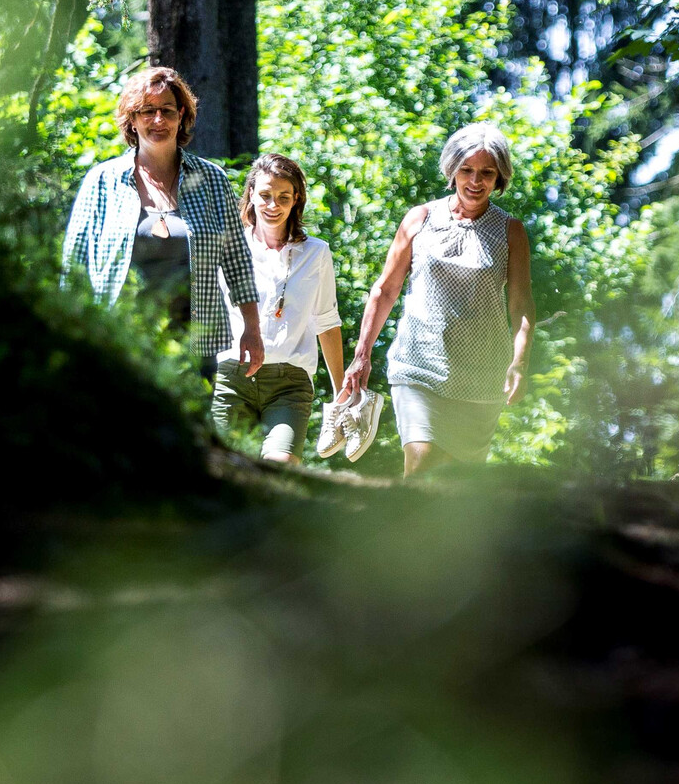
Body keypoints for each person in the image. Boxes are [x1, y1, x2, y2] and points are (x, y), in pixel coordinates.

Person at [338, 123, 535, 476]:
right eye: (467, 170)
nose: (476, 181)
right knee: (422, 464)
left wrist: (519, 362)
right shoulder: (421, 218)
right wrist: (361, 356)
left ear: (499, 177)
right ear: (452, 170)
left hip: (482, 379)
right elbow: (385, 290)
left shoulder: (511, 231)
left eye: (487, 173)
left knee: (459, 488)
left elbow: (521, 306)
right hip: (418, 367)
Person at [62, 66, 264, 380]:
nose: (159, 120)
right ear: (132, 118)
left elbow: (238, 260)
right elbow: (74, 264)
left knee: (189, 429)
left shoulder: (211, 180)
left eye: (167, 111)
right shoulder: (102, 181)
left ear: (181, 115)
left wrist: (252, 329)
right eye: (148, 111)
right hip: (119, 341)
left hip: (195, 347)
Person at [211, 154, 347, 463]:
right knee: (227, 474)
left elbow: (326, 321)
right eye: (265, 195)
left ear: (296, 200)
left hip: (289, 383)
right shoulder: (228, 247)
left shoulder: (316, 253)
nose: (273, 205)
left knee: (281, 468)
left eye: (283, 197)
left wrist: (341, 394)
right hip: (233, 375)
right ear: (251, 195)